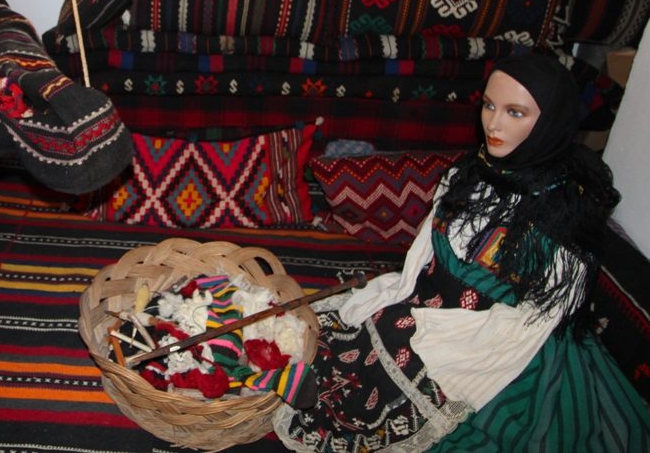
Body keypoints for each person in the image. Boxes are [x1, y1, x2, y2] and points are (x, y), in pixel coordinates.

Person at [275, 53, 650, 451]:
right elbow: (421, 260)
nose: (494, 124)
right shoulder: (470, 175)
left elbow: (534, 320)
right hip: (431, 303)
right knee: (339, 329)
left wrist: (441, 339)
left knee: (395, 352)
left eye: (515, 112)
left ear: (550, 121)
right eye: (489, 105)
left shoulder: (562, 215)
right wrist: (402, 298)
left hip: (498, 337)